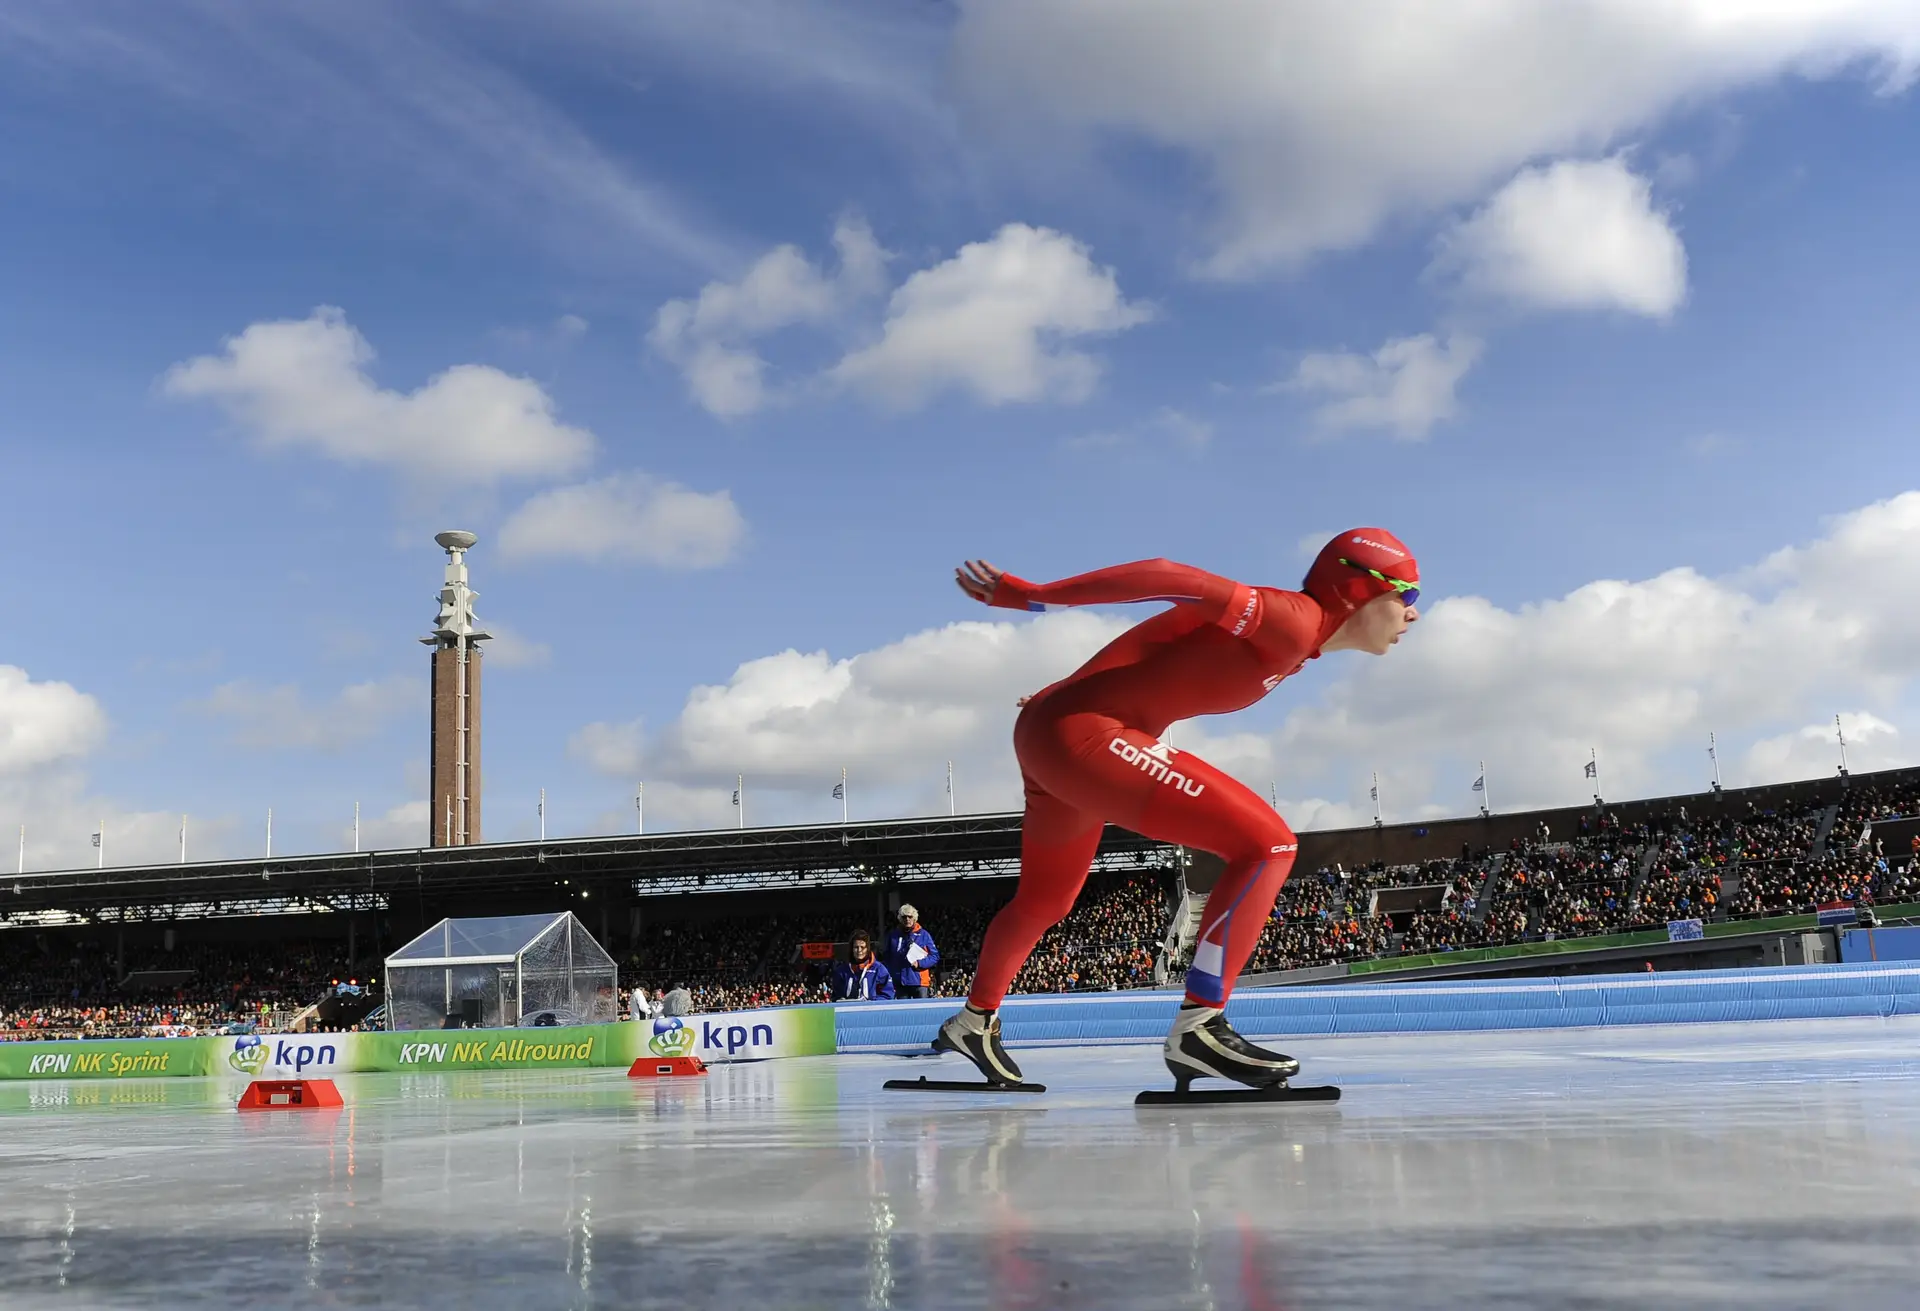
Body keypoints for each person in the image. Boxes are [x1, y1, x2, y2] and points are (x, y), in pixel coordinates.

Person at [934, 531, 1420, 1089]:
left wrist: (1067, 691)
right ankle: (1200, 1027)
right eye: (1407, 597)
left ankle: (974, 1021)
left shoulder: (1299, 646)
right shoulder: (1292, 620)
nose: (1413, 615)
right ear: (1360, 591)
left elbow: (1160, 649)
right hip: (1081, 734)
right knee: (1269, 845)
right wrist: (1035, 596)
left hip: (1061, 728)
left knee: (1045, 899)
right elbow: (1168, 576)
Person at [882, 904, 940, 998]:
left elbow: (934, 956)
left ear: (914, 918)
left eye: (910, 916)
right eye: (904, 917)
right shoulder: (893, 936)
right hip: (900, 983)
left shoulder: (924, 935)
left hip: (919, 982)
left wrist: (920, 963)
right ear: (900, 918)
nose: (907, 919)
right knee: (904, 1012)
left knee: (922, 1011)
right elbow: (887, 958)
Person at [829, 930, 895, 1001]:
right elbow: (836, 996)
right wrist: (840, 1000)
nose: (859, 950)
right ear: (852, 949)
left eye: (862, 947)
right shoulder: (842, 971)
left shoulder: (879, 969)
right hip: (848, 1010)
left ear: (867, 949)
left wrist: (874, 1003)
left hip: (872, 1010)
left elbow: (888, 995)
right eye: (856, 947)